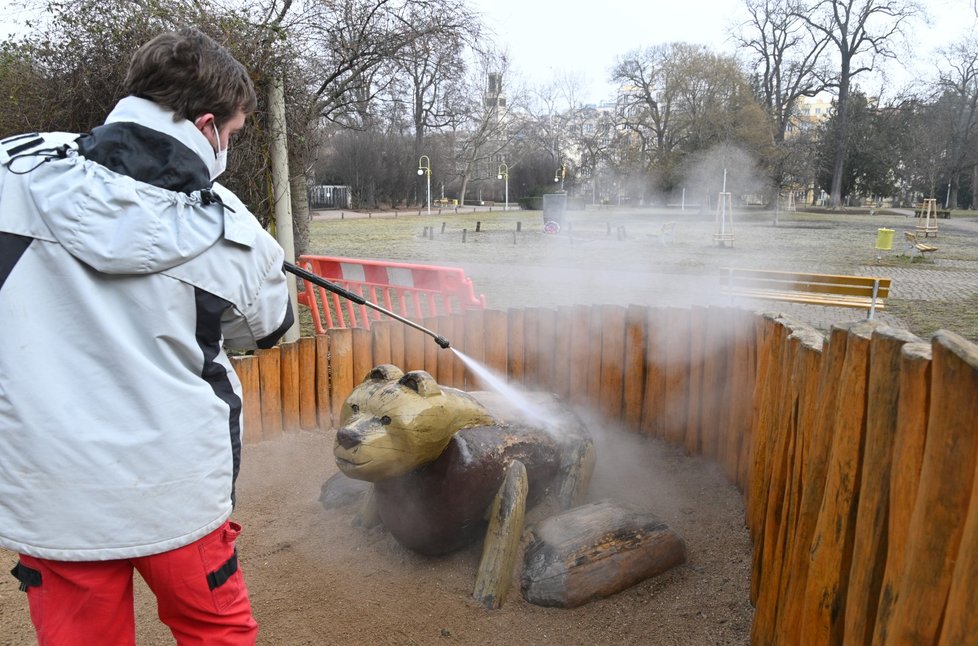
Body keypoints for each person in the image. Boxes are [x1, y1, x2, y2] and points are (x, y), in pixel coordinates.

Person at [0, 27, 294, 645]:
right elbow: (268, 330)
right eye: (234, 136)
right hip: (179, 493)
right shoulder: (237, 233)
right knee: (218, 634)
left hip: (55, 493)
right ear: (207, 125)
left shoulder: (11, 171)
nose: (228, 151)